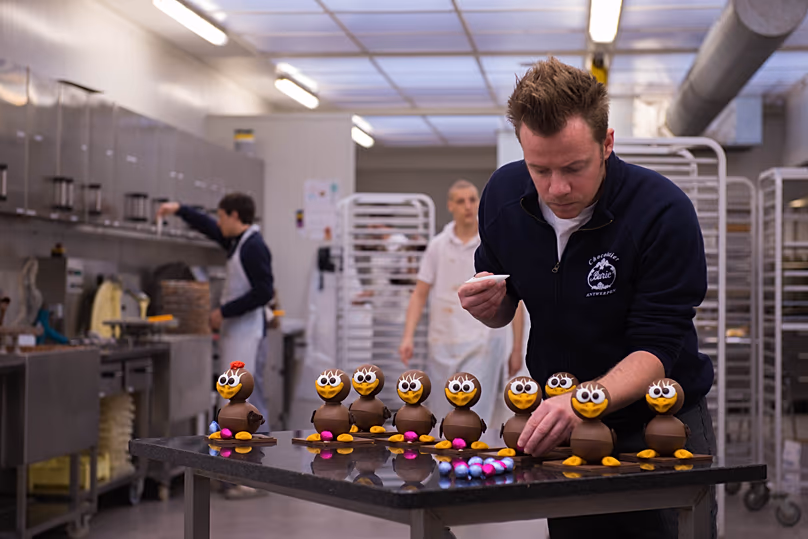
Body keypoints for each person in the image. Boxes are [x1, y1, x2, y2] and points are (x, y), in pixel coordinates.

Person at [457, 57, 716, 538]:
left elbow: (656, 349)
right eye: (540, 169)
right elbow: (505, 297)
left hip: (657, 419)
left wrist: (581, 402)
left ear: (607, 143)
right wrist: (493, 309)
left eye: (574, 168)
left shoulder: (661, 212)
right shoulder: (502, 196)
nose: (557, 188)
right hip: (563, 423)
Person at [158, 193, 273, 500]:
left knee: (248, 405)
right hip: (236, 333)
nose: (219, 222)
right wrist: (180, 207)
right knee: (235, 406)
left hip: (248, 334)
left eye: (222, 216)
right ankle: (238, 471)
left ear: (236, 216)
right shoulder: (237, 242)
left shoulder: (253, 247)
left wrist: (224, 311)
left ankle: (255, 476)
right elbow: (209, 227)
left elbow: (264, 291)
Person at [399, 180, 524, 425]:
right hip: (443, 340)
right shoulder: (437, 246)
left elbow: (514, 299)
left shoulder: (492, 244)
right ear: (450, 206)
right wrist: (407, 336)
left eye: (472, 199)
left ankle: (475, 461)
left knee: (476, 411)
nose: (468, 206)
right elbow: (420, 293)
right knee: (442, 412)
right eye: (460, 201)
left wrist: (517, 348)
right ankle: (443, 460)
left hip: (483, 342)